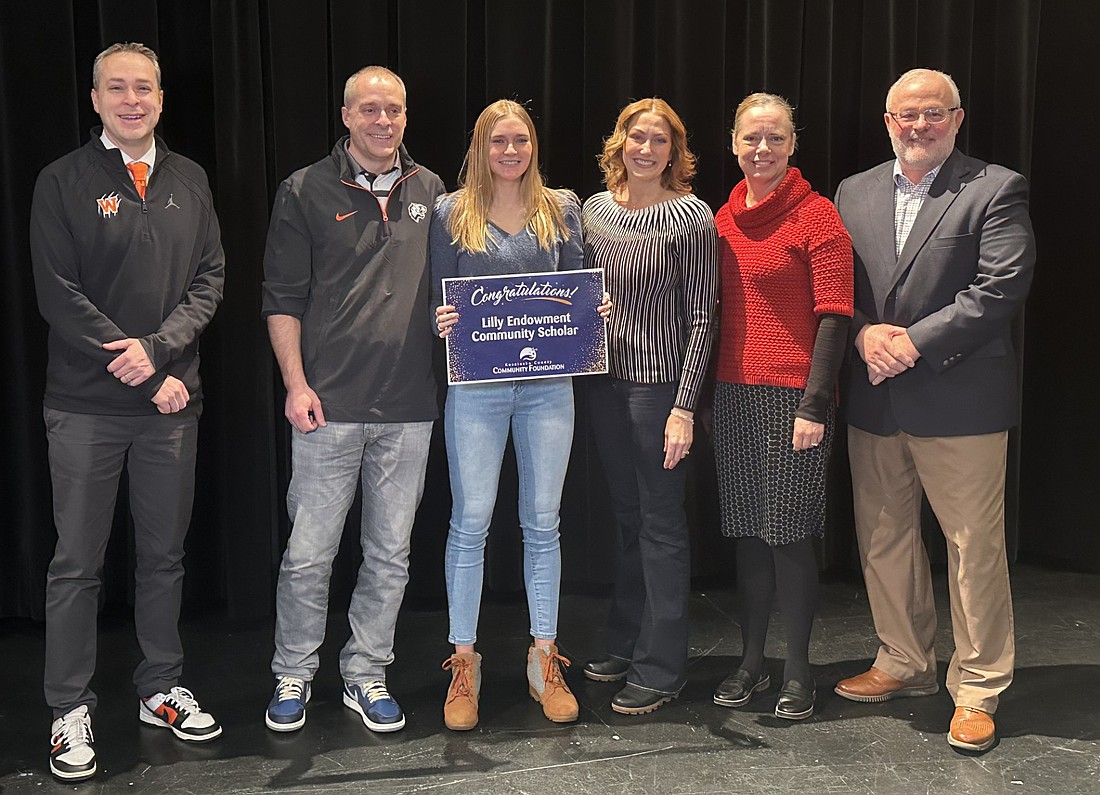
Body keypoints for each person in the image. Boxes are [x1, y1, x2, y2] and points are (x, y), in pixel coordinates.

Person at [30, 42, 225, 782]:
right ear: (96, 99)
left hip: (173, 403)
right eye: (118, 88)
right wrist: (147, 371)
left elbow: (210, 277)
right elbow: (58, 294)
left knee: (163, 556)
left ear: (161, 98)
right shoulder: (62, 181)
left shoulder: (190, 179)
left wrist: (162, 351)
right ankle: (66, 707)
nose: (132, 99)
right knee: (77, 563)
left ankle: (159, 686)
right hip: (86, 409)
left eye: (144, 88)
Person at [833, 68, 1035, 752]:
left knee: (972, 548)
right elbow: (835, 287)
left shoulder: (994, 188)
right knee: (884, 538)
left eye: (933, 114)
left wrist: (911, 344)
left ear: (957, 117)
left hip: (961, 401)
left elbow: (1001, 287)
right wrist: (862, 334)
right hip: (876, 399)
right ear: (888, 121)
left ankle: (976, 688)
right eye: (905, 116)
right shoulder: (853, 191)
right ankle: (904, 660)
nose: (918, 126)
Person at [261, 65, 444, 735]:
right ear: (346, 115)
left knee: (390, 554)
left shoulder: (432, 190)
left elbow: (455, 286)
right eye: (369, 109)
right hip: (327, 407)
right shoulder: (304, 189)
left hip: (408, 409)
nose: (382, 121)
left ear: (405, 115)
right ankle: (293, 671)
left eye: (392, 109)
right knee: (310, 552)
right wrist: (296, 384)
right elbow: (280, 298)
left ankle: (366, 672)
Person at [431, 100, 608, 731]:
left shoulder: (560, 209)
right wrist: (441, 319)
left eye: (521, 140)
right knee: (470, 520)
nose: (511, 151)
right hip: (476, 387)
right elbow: (438, 298)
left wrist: (594, 316)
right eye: (499, 141)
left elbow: (577, 288)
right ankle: (463, 661)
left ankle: (543, 656)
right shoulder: (453, 212)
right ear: (480, 147)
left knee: (542, 520)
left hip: (548, 388)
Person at [710, 94, 853, 720]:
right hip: (733, 394)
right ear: (734, 144)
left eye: (774, 138)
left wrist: (815, 405)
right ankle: (751, 662)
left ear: (792, 145)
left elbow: (834, 316)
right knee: (747, 533)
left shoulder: (818, 216)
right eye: (751, 139)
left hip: (795, 398)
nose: (761, 150)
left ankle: (797, 670)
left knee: (789, 534)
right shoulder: (722, 218)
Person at [581, 98, 717, 714]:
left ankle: (662, 666)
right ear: (621, 142)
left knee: (661, 525)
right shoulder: (594, 211)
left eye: (660, 141)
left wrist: (684, 406)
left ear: (674, 151)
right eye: (638, 137)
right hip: (604, 386)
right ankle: (628, 641)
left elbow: (702, 316)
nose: (647, 149)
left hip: (661, 387)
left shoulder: (689, 216)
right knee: (627, 518)